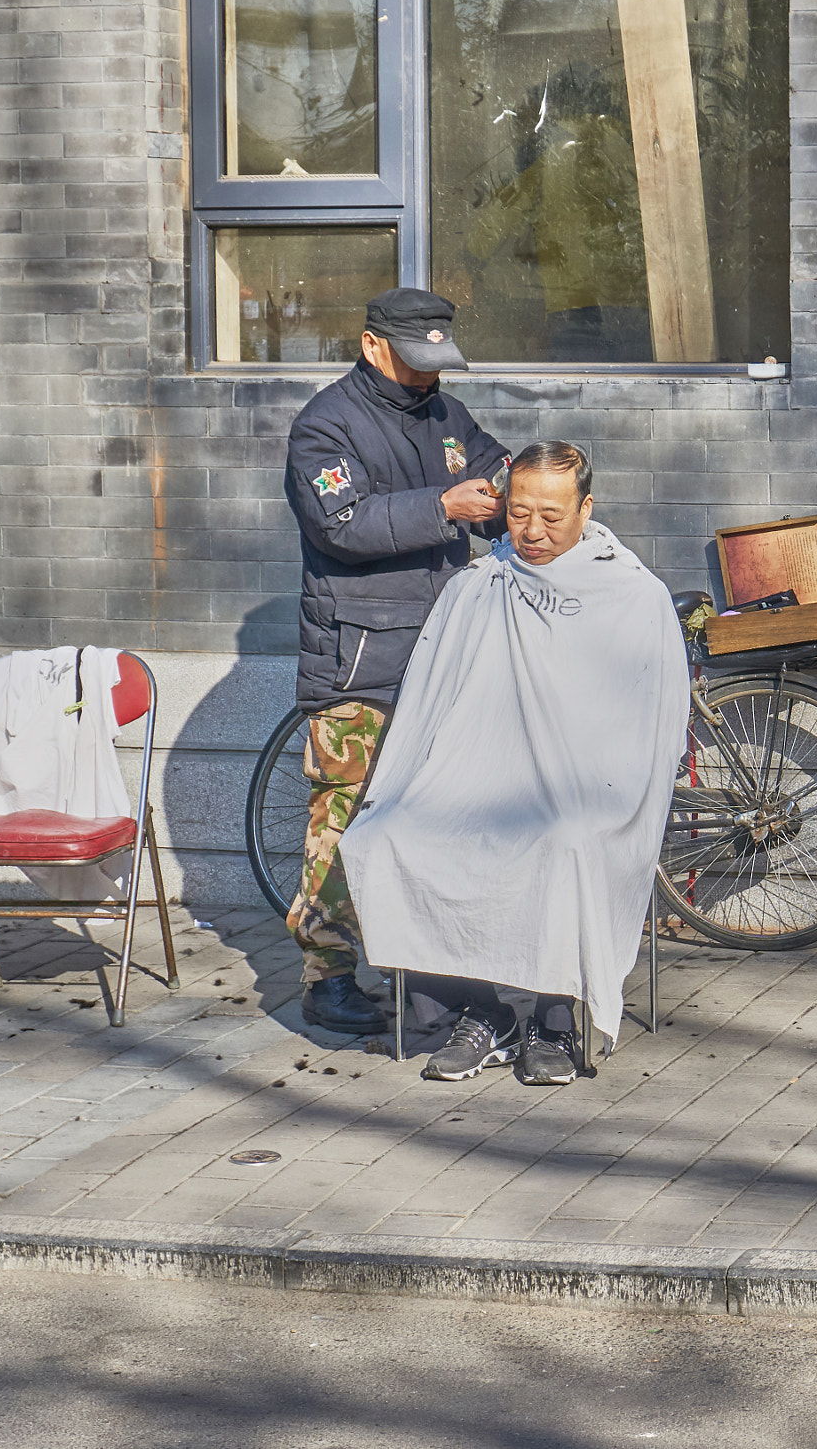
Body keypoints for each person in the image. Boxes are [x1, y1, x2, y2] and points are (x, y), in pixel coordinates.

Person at [336, 442, 689, 1086]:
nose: (532, 532)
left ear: (587, 507)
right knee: (396, 835)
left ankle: (551, 1022)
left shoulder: (631, 594)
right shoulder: (481, 583)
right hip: (478, 778)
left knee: (562, 842)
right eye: (519, 513)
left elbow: (650, 727)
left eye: (552, 517)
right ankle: (481, 1014)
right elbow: (434, 703)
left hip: (589, 790)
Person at [281, 288, 510, 1036]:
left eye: (438, 362)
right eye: (416, 362)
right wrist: (445, 507)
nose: (428, 377)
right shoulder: (325, 425)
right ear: (373, 345)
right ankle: (328, 976)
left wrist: (523, 493)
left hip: (444, 652)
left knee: (438, 817)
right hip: (360, 663)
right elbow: (344, 524)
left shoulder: (444, 410)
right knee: (343, 820)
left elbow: (492, 468)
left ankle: (428, 971)